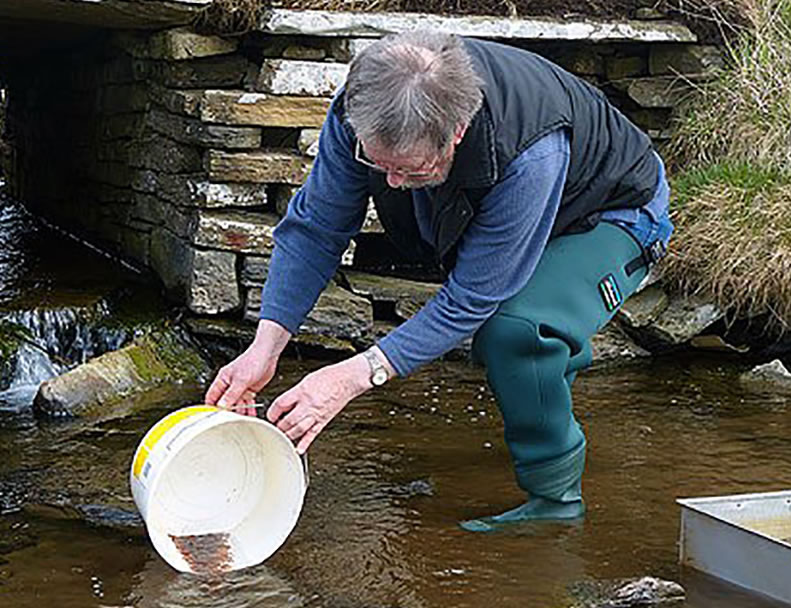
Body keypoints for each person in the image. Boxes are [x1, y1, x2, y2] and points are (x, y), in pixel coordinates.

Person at [204, 30, 674, 532]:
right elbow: (317, 226)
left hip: (611, 213)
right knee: (518, 333)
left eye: (408, 170)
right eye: (377, 163)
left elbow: (472, 297)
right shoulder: (363, 104)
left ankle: (554, 505)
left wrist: (352, 377)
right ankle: (543, 390)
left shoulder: (529, 150)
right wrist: (266, 345)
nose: (391, 184)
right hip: (507, 197)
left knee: (517, 332)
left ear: (456, 132)